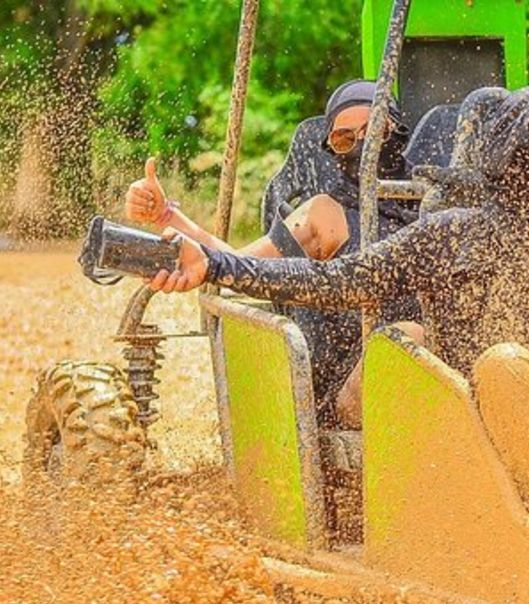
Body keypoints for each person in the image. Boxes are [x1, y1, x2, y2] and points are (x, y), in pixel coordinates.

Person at [146, 85, 529, 437]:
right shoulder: (451, 233)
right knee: (498, 364)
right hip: (487, 415)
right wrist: (216, 265)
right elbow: (336, 281)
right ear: (506, 151)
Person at [124, 80, 422, 426]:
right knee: (407, 337)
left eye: (373, 133)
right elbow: (244, 267)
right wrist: (167, 216)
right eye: (344, 140)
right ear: (330, 149)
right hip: (352, 392)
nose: (362, 149)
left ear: (397, 131)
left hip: (437, 383)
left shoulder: (432, 204)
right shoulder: (325, 214)